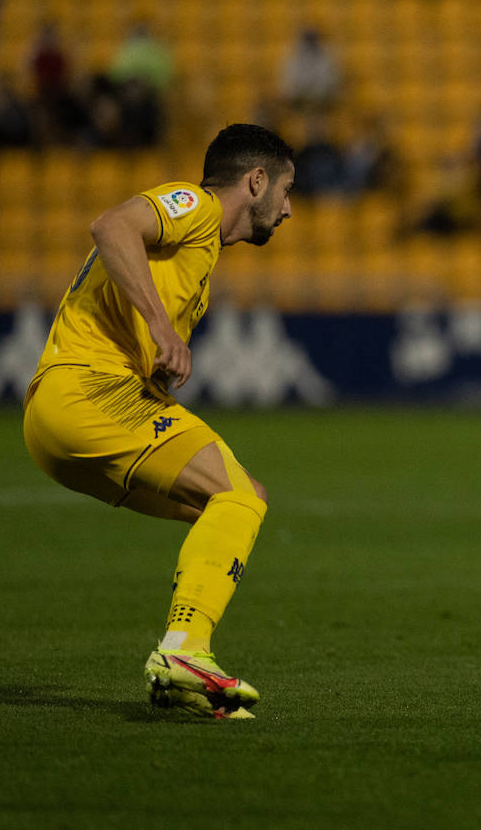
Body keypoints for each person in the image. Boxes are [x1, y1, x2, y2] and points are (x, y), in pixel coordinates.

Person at [22, 124, 295, 720]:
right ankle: (185, 652)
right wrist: (160, 327)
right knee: (237, 496)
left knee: (229, 507)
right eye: (285, 189)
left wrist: (153, 353)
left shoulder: (200, 253)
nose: (289, 208)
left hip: (65, 417)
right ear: (255, 181)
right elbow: (110, 225)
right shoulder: (194, 205)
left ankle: (183, 678)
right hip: (86, 393)